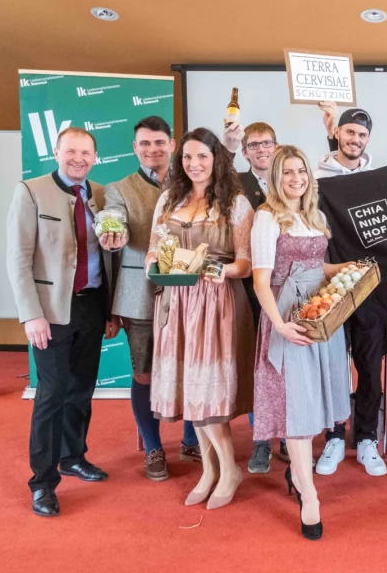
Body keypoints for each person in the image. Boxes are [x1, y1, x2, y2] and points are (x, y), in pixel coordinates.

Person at [6, 127, 118, 517]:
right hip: (50, 311)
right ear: (56, 152)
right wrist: (31, 314)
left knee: (81, 390)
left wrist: (111, 310)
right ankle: (43, 483)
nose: (78, 159)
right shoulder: (31, 191)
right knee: (51, 396)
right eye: (70, 151)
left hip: (92, 306)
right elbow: (18, 258)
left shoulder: (102, 194)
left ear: (95, 157)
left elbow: (111, 257)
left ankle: (73, 457)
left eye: (86, 153)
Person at [145, 127, 256, 510]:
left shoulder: (236, 204)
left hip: (217, 304)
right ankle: (209, 471)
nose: (194, 164)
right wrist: (155, 266)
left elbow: (246, 263)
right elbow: (153, 250)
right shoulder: (168, 200)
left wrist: (221, 270)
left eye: (202, 157)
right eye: (188, 157)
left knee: (208, 393)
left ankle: (229, 470)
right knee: (193, 393)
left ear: (216, 159)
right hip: (176, 303)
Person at [251, 145, 353, 540]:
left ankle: (297, 473)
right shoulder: (267, 217)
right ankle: (309, 495)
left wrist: (341, 268)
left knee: (313, 401)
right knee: (296, 405)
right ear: (276, 178)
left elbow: (314, 267)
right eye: (288, 172)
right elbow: (261, 280)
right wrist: (279, 326)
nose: (296, 179)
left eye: (301, 171)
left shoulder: (315, 215)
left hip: (319, 314)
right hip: (287, 314)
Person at [99, 116, 200, 482]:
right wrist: (111, 231)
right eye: (144, 143)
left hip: (189, 291)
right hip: (138, 296)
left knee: (192, 368)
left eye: (159, 142)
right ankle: (153, 447)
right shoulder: (119, 188)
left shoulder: (193, 181)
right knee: (143, 374)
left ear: (172, 145)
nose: (152, 149)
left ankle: (191, 440)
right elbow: (112, 217)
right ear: (134, 148)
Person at [312, 105, 387, 477]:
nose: (355, 139)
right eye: (349, 132)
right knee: (334, 367)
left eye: (362, 135)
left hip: (370, 290)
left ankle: (366, 437)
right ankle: (335, 436)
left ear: (368, 140)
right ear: (337, 133)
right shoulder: (316, 176)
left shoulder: (378, 178)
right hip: (330, 287)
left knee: (369, 366)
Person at [228, 120, 291, 474]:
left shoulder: (293, 179)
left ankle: (289, 435)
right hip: (254, 287)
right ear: (244, 151)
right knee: (261, 366)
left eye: (267, 143)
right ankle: (261, 439)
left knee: (289, 366)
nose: (262, 149)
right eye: (254, 145)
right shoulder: (235, 185)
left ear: (276, 145)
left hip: (293, 288)